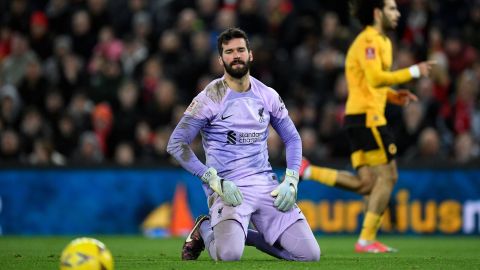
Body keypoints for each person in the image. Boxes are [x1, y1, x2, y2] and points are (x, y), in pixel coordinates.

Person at [167, 27, 320, 261]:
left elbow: (292, 138)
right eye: (229, 52)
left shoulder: (267, 95)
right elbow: (177, 144)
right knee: (229, 256)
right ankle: (206, 228)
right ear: (221, 59)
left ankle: (242, 234)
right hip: (228, 188)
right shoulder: (210, 97)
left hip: (265, 185)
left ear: (251, 54)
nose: (235, 55)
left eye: (240, 50)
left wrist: (291, 179)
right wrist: (212, 179)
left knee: (309, 256)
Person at [300, 0, 435, 253]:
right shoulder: (369, 40)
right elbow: (374, 77)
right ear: (377, 12)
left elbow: (369, 83)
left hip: (360, 116)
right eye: (392, 9)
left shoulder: (383, 41)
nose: (397, 13)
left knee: (366, 184)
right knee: (389, 175)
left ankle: (308, 171)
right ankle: (366, 240)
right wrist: (414, 71)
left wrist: (393, 96)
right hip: (367, 119)